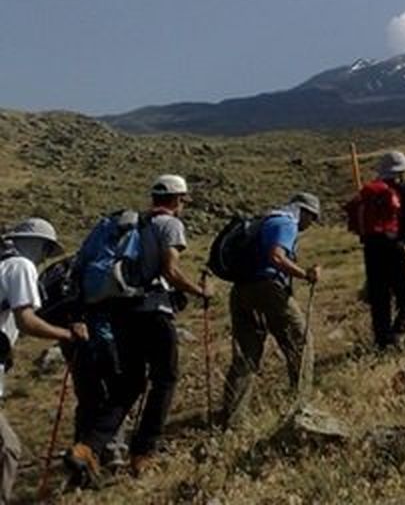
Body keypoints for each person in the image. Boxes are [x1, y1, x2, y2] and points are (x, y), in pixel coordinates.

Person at [69, 174, 210, 481]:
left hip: (122, 313)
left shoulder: (135, 224)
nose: (184, 205)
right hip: (152, 313)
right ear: (176, 200)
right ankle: (143, 453)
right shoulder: (169, 224)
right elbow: (170, 270)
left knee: (129, 384)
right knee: (165, 378)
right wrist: (199, 292)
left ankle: (87, 447)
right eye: (183, 200)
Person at [0, 219, 86, 504]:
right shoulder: (20, 266)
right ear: (38, 244)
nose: (43, 259)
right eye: (46, 250)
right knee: (6, 448)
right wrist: (67, 334)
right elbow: (26, 321)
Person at [219, 193, 322, 428]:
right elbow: (276, 256)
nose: (309, 225)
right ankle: (300, 406)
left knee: (246, 355)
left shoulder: (264, 220)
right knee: (301, 343)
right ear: (303, 211)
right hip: (268, 289)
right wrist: (305, 274)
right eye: (311, 218)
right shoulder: (286, 223)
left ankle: (233, 418)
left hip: (241, 290)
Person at [351, 151, 405, 350]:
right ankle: (396, 337)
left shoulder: (368, 194)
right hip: (396, 249)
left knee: (380, 299)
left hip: (371, 251)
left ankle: (381, 342)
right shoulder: (402, 190)